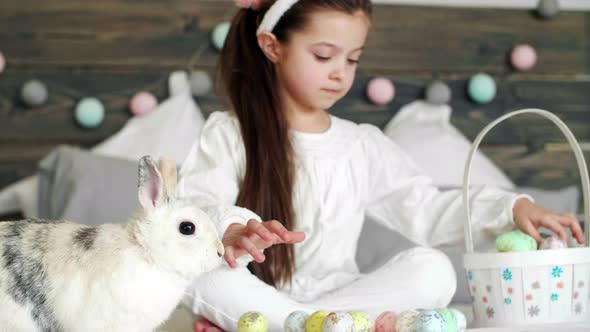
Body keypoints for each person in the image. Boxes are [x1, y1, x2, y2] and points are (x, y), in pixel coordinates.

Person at [177, 0, 585, 331]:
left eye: (352, 59)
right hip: (256, 289)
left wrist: (509, 208)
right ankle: (308, 324)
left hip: (340, 295)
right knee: (198, 274)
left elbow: (426, 208)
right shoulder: (228, 134)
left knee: (434, 269)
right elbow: (195, 207)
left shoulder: (362, 145)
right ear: (272, 46)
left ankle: (286, 326)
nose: (340, 73)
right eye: (324, 55)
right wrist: (232, 229)